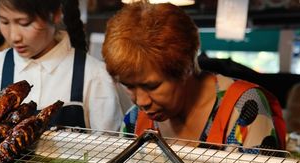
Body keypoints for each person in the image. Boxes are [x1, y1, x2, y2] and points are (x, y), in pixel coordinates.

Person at [102, 1, 286, 152]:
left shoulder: (244, 106)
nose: (141, 101)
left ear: (186, 67)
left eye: (152, 86)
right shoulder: (134, 121)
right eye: (129, 86)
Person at [0, 0, 132, 132]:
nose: (14, 36)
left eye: (24, 23)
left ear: (55, 15)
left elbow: (110, 151)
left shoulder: (94, 76)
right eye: (4, 22)